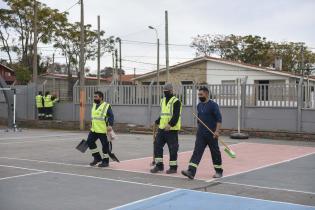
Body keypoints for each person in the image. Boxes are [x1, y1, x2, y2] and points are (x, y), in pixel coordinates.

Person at [181, 86, 223, 179]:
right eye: (198, 94)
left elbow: (219, 120)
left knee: (215, 152)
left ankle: (219, 171)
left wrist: (217, 131)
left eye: (201, 94)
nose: (199, 96)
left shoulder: (213, 105)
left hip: (212, 134)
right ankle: (191, 171)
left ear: (207, 94)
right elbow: (199, 119)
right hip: (201, 134)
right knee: (197, 152)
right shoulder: (199, 105)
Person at [150, 83, 182, 174]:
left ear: (171, 91)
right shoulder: (162, 101)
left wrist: (170, 124)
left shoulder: (176, 101)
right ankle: (159, 165)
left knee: (173, 148)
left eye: (167, 91)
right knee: (157, 146)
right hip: (162, 128)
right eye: (164, 91)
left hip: (172, 129)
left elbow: (176, 115)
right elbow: (163, 114)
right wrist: (157, 122)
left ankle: (173, 167)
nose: (165, 93)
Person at [86, 91, 114, 167]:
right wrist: (91, 123)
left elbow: (111, 116)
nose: (94, 98)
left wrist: (110, 125)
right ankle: (97, 158)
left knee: (105, 146)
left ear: (101, 97)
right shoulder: (94, 105)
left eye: (96, 97)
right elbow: (94, 116)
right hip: (94, 129)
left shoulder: (106, 106)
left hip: (103, 130)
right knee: (89, 142)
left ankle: (106, 161)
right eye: (94, 96)